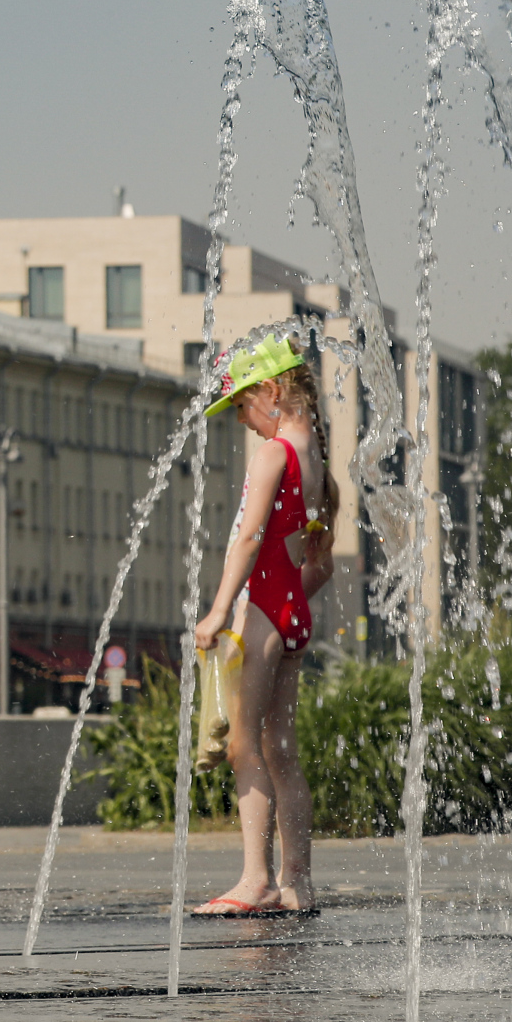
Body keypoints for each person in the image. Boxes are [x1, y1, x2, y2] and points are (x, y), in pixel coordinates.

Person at [191, 333, 336, 917]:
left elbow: (249, 538)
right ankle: (297, 879)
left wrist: (222, 608)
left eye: (245, 406)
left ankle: (255, 879)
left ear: (272, 392)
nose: (247, 423)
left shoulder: (274, 454)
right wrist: (289, 612)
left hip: (264, 609)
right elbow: (321, 562)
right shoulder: (317, 457)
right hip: (295, 612)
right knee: (282, 751)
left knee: (244, 747)